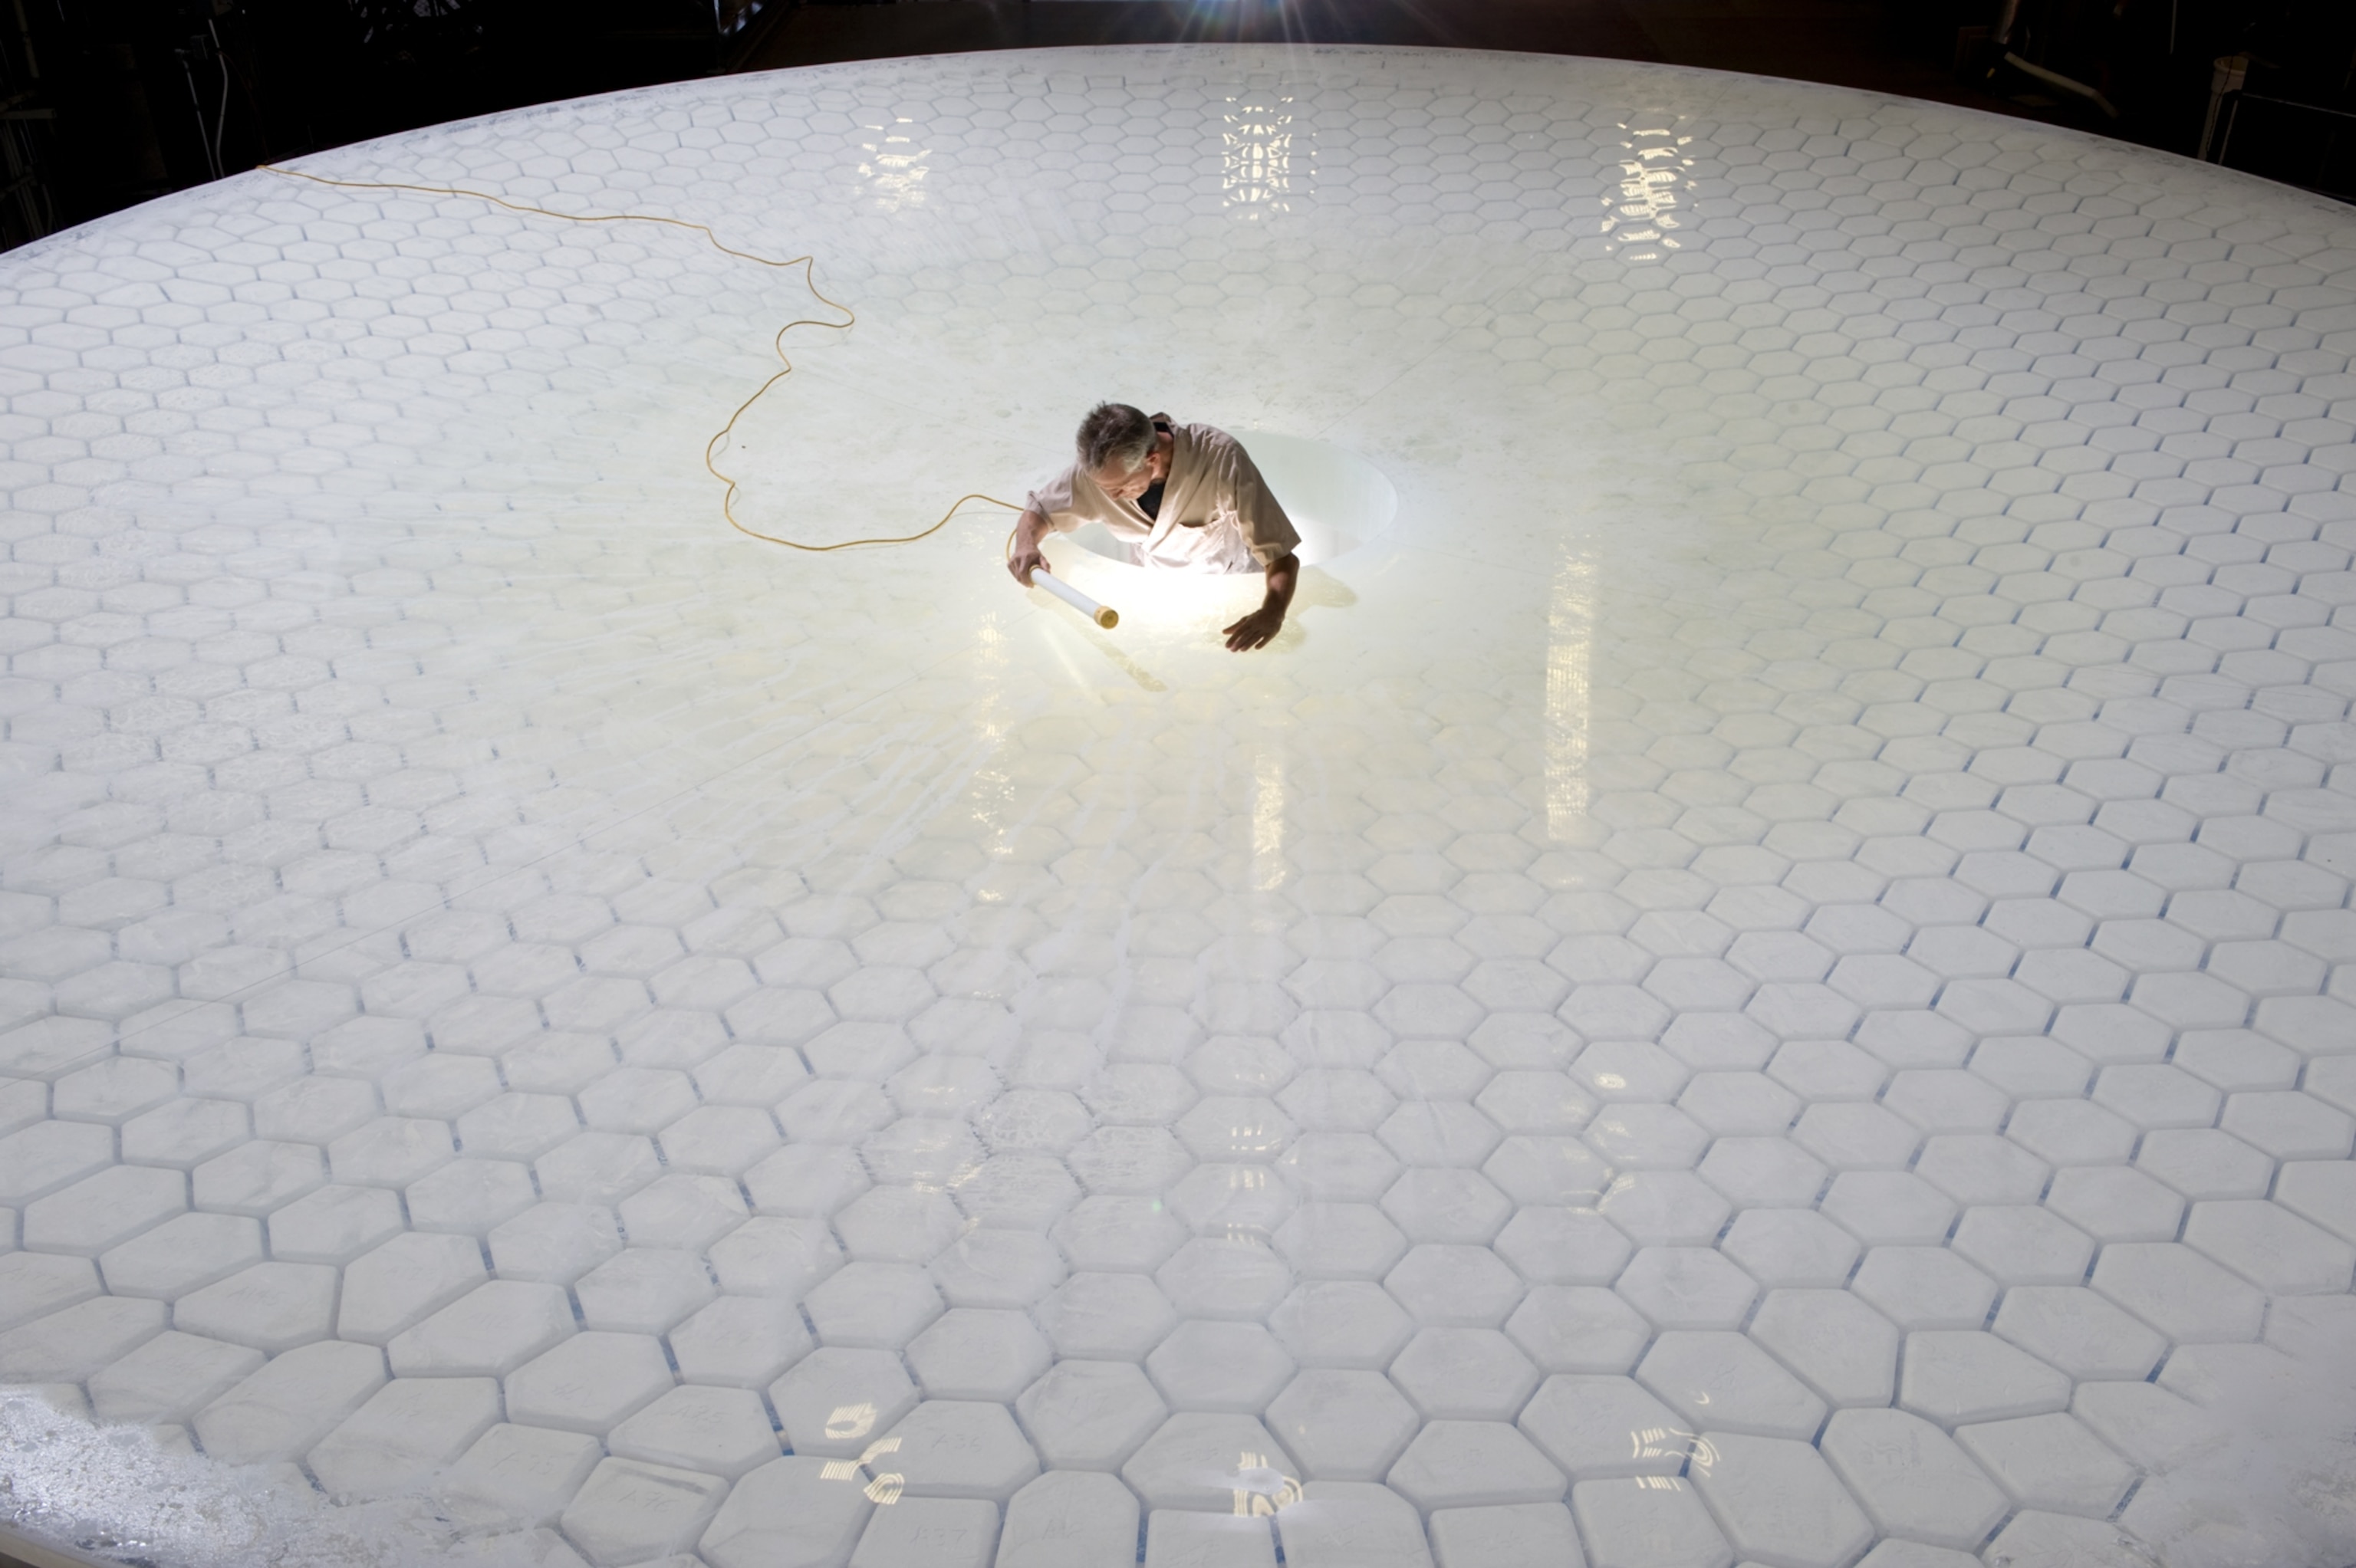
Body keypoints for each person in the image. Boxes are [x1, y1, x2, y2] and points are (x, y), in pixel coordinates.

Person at [1008, 403, 1301, 652]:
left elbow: (1280, 555)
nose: (1111, 497)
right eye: (1104, 488)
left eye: (1121, 487)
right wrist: (1026, 545)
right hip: (1156, 590)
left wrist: (1273, 612)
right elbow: (1041, 510)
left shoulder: (1222, 460)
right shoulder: (1099, 473)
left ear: (1152, 459)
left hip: (1229, 586)